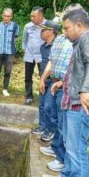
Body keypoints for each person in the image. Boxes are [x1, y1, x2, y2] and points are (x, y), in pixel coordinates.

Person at [59, 8, 89, 177]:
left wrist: (85, 90)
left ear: (78, 25)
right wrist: (62, 82)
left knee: (76, 150)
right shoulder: (79, 43)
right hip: (72, 104)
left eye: (66, 28)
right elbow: (78, 71)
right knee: (70, 147)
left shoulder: (86, 38)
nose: (64, 33)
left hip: (79, 106)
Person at [39, 33, 73, 172]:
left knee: (62, 122)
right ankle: (55, 147)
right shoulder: (59, 39)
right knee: (49, 110)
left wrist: (62, 82)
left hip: (64, 86)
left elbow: (75, 68)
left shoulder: (77, 42)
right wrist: (42, 78)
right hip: (54, 82)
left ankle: (61, 158)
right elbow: (51, 61)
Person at [31, 20, 59, 136]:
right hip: (43, 80)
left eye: (43, 30)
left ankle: (50, 130)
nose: (41, 32)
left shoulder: (57, 46)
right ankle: (42, 127)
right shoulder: (43, 47)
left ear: (51, 31)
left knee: (49, 106)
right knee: (42, 105)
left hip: (53, 81)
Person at [0, 8, 19, 97]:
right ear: (2, 15)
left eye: (9, 16)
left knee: (7, 71)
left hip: (10, 52)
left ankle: (5, 89)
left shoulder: (15, 26)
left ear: (11, 16)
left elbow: (15, 38)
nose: (6, 18)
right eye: (5, 16)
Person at [22, 6, 46, 105]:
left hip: (42, 56)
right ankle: (29, 97)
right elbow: (24, 40)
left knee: (43, 77)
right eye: (31, 16)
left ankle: (43, 97)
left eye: (34, 16)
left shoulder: (47, 26)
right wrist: (25, 50)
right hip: (29, 55)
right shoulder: (28, 26)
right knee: (28, 77)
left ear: (40, 16)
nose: (31, 18)